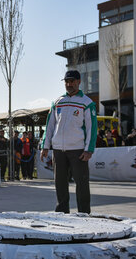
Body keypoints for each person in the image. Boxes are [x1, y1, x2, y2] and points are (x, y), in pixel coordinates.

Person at [41, 70, 97, 214]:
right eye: (66, 81)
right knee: (60, 184)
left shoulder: (87, 102)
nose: (69, 84)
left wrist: (89, 149)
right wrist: (45, 146)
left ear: (79, 82)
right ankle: (61, 212)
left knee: (82, 184)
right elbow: (50, 126)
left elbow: (92, 128)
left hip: (78, 150)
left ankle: (84, 213)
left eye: (72, 81)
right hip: (58, 150)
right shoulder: (58, 102)